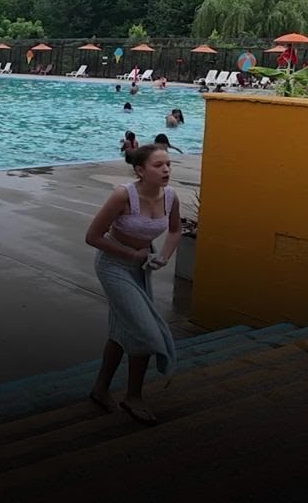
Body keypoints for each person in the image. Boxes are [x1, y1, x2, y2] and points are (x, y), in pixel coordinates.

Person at [85, 144, 180, 424]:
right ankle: (133, 396)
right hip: (113, 265)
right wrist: (132, 254)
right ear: (140, 170)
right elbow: (93, 236)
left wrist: (163, 256)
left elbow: (175, 230)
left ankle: (100, 389)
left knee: (122, 329)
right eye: (158, 165)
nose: (166, 170)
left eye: (168, 164)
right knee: (143, 330)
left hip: (141, 269)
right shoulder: (122, 195)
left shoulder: (171, 197)